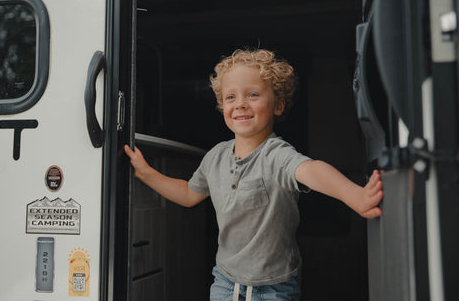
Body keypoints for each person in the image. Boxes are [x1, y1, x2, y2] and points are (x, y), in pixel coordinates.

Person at [124, 49, 383, 301]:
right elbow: (189, 194)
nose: (240, 104)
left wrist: (355, 196)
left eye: (253, 94)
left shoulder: (276, 155)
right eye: (230, 97)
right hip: (225, 282)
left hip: (274, 287)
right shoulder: (215, 157)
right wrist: (147, 174)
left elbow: (312, 170)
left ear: (278, 105)